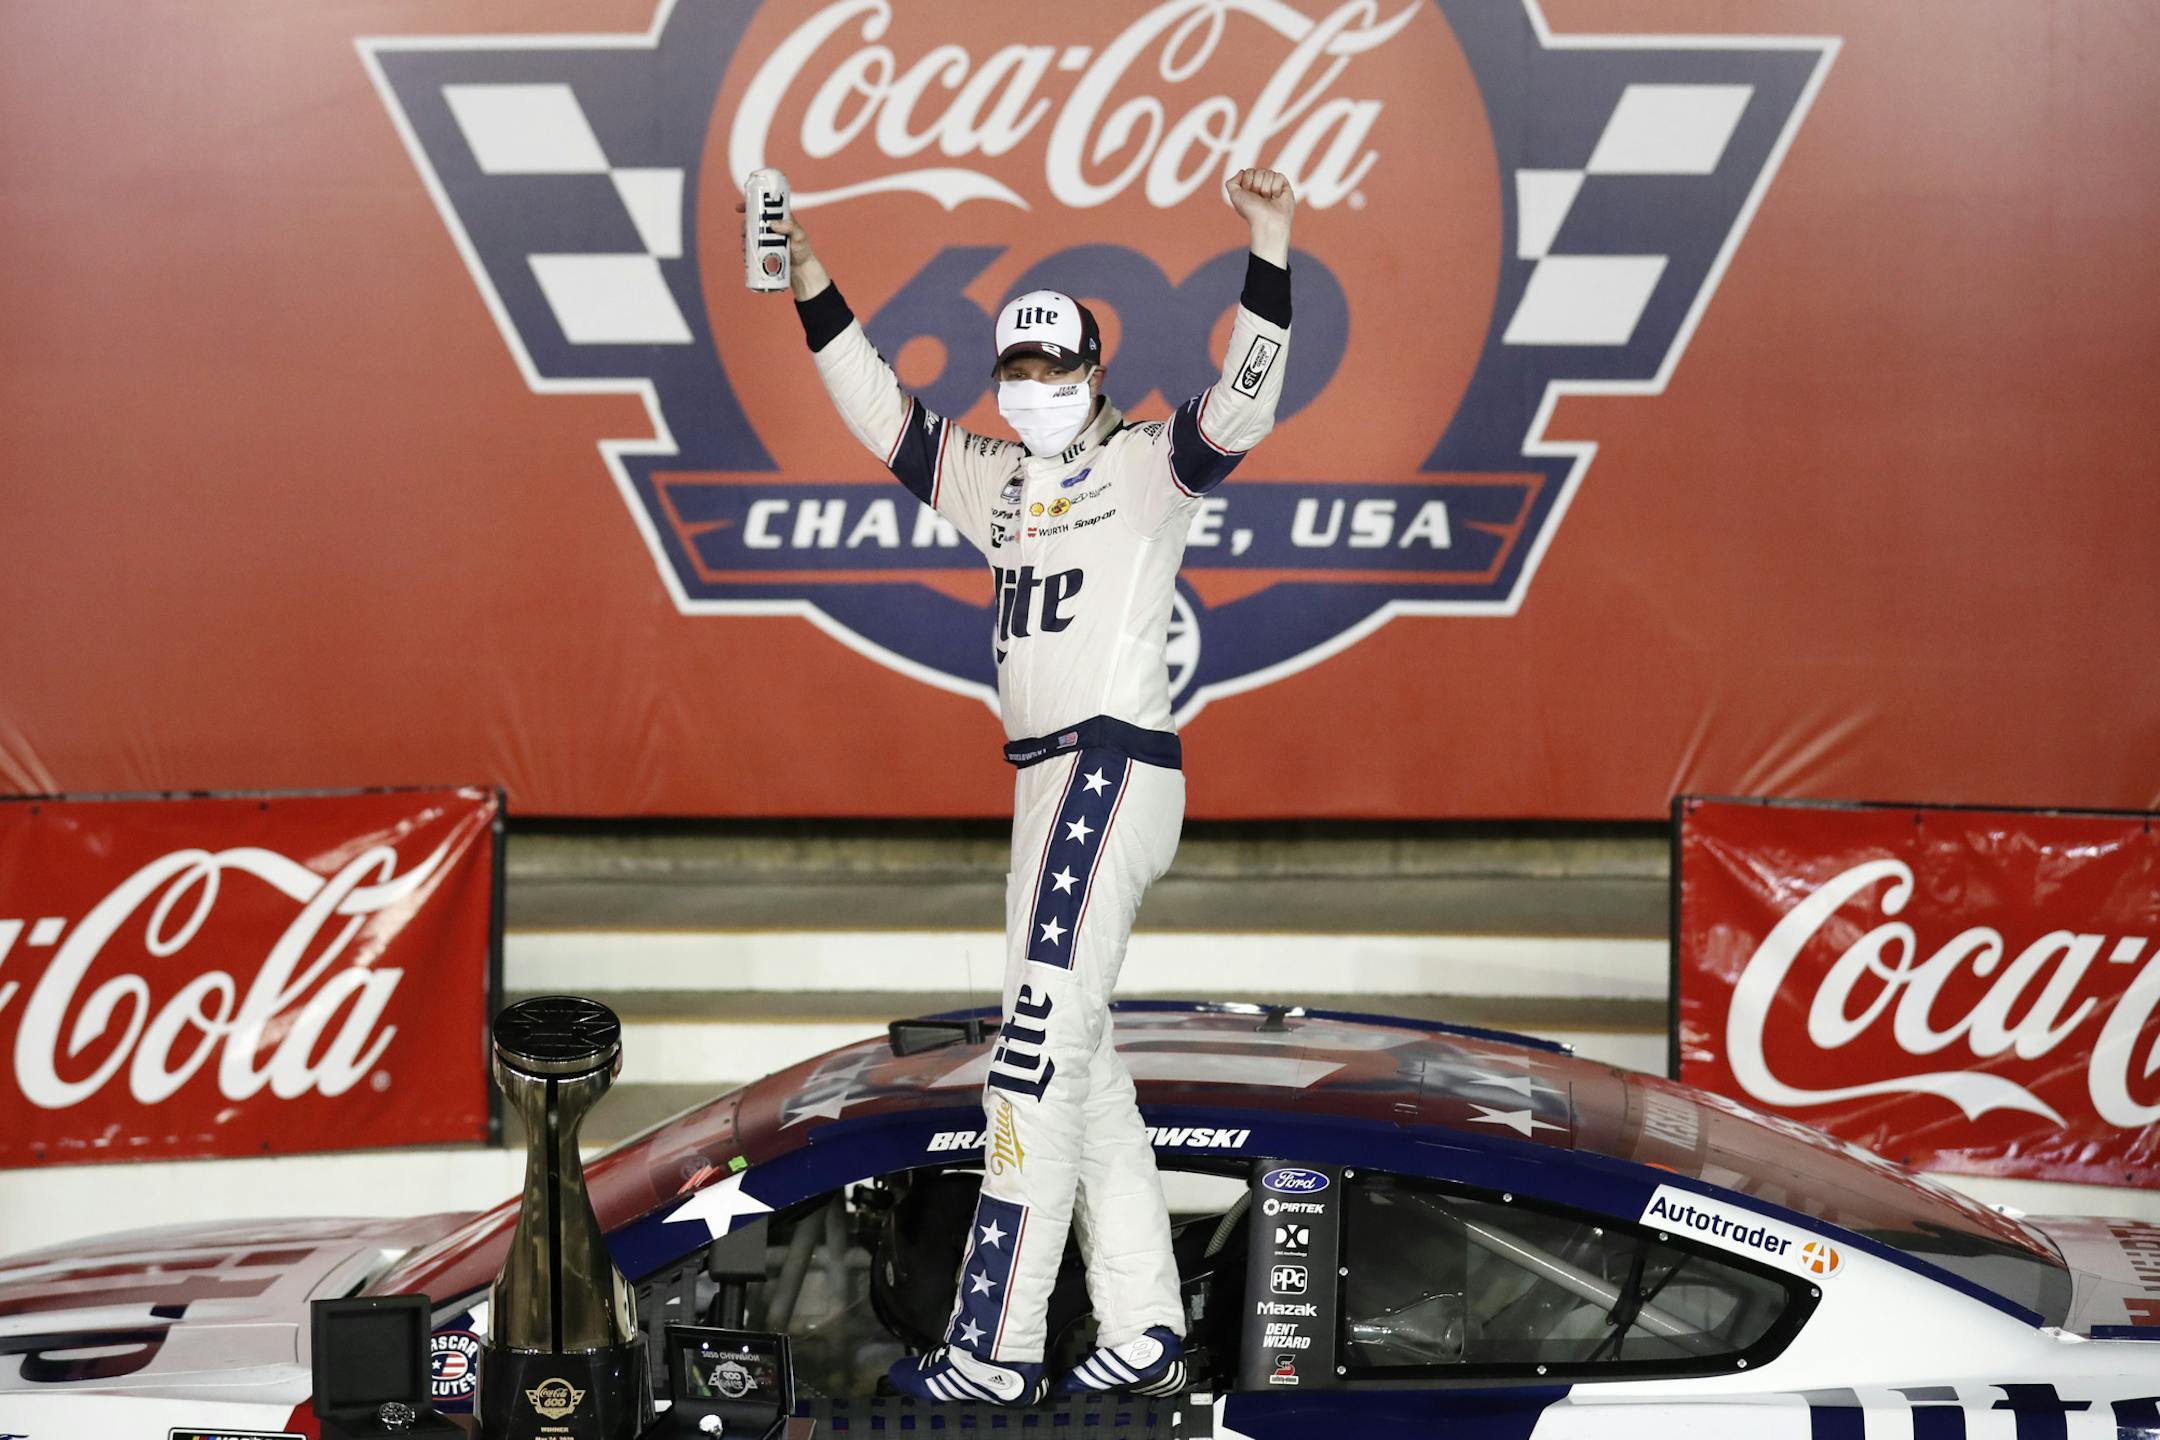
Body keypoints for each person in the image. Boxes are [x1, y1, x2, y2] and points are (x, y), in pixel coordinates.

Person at [742, 168, 1295, 1406]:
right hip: (1049, 784)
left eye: (1055, 366)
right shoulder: (996, 480)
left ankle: (994, 1346)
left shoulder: (1145, 466)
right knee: (1081, 1061)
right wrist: (812, 278)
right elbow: (880, 413)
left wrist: (1270, 247)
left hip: (1111, 765)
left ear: (1096, 372)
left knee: (1029, 1063)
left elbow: (1248, 401)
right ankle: (1147, 1323)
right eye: (1017, 369)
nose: (1034, 385)